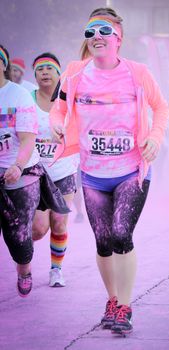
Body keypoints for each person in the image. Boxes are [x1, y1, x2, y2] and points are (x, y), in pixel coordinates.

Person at [50, 7, 169, 335]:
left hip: (131, 170)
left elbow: (161, 107)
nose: (96, 37)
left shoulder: (138, 73)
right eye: (90, 32)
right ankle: (113, 300)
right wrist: (57, 125)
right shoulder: (73, 73)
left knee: (120, 234)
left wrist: (156, 138)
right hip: (91, 173)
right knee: (103, 241)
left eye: (104, 31)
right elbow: (58, 108)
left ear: (119, 38)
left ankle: (126, 306)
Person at [31, 53, 78, 287]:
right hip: (33, 175)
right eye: (40, 69)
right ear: (35, 75)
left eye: (50, 68)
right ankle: (22, 259)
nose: (45, 73)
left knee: (59, 223)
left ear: (59, 73)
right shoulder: (26, 101)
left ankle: (56, 270)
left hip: (63, 172)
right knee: (38, 229)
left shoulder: (68, 101)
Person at [0, 45, 40, 297]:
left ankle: (24, 269)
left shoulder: (18, 95)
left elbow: (27, 139)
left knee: (18, 235)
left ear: (3, 64)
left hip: (19, 173)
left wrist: (17, 165)